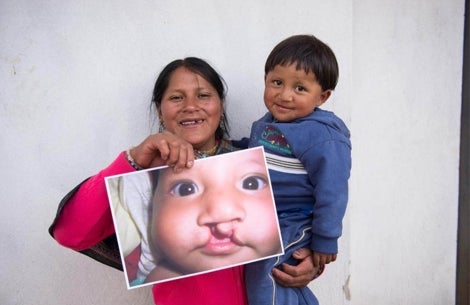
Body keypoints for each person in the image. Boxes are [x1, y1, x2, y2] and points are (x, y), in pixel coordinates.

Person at [49, 57, 322, 305]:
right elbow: (70, 233)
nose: (191, 107)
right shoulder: (145, 180)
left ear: (220, 106)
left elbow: (299, 224)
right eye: (176, 98)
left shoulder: (257, 167)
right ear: (159, 110)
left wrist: (309, 261)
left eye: (203, 95)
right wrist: (132, 160)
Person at [243, 35, 352, 305]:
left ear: (322, 96)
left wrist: (325, 240)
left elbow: (333, 191)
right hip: (270, 219)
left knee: (264, 271)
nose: (285, 95)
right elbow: (257, 155)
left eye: (300, 88)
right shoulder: (267, 124)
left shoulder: (322, 136)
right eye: (277, 82)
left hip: (297, 222)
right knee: (281, 278)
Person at [143, 147, 282, 284]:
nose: (221, 213)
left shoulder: (290, 261)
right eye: (185, 189)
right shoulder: (162, 279)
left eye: (251, 184)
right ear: (153, 199)